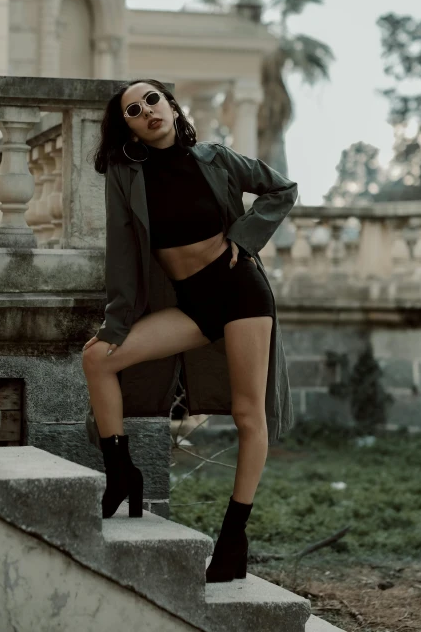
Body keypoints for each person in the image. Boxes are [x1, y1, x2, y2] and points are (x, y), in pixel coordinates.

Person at [82, 78, 298, 583]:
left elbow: (282, 189)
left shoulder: (215, 158)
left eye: (152, 99)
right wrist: (117, 322)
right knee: (98, 358)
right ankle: (122, 473)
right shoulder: (124, 174)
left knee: (249, 414)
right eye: (133, 109)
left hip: (240, 292)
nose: (147, 110)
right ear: (129, 129)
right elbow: (122, 251)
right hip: (193, 305)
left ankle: (233, 539)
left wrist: (244, 239)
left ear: (172, 107)